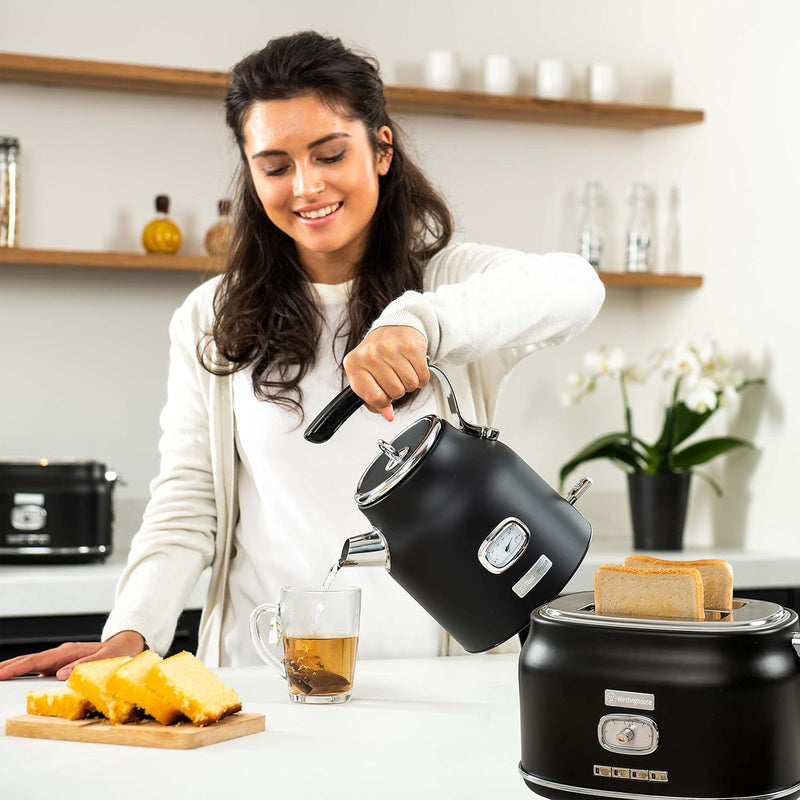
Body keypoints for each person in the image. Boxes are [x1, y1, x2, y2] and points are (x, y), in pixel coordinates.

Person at [0, 31, 604, 680]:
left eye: (329, 154)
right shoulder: (212, 316)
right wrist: (132, 631)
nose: (306, 186)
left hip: (437, 681)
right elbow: (187, 501)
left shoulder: (447, 284)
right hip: (261, 679)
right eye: (276, 165)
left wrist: (417, 325)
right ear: (252, 173)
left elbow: (576, 287)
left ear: (380, 149)